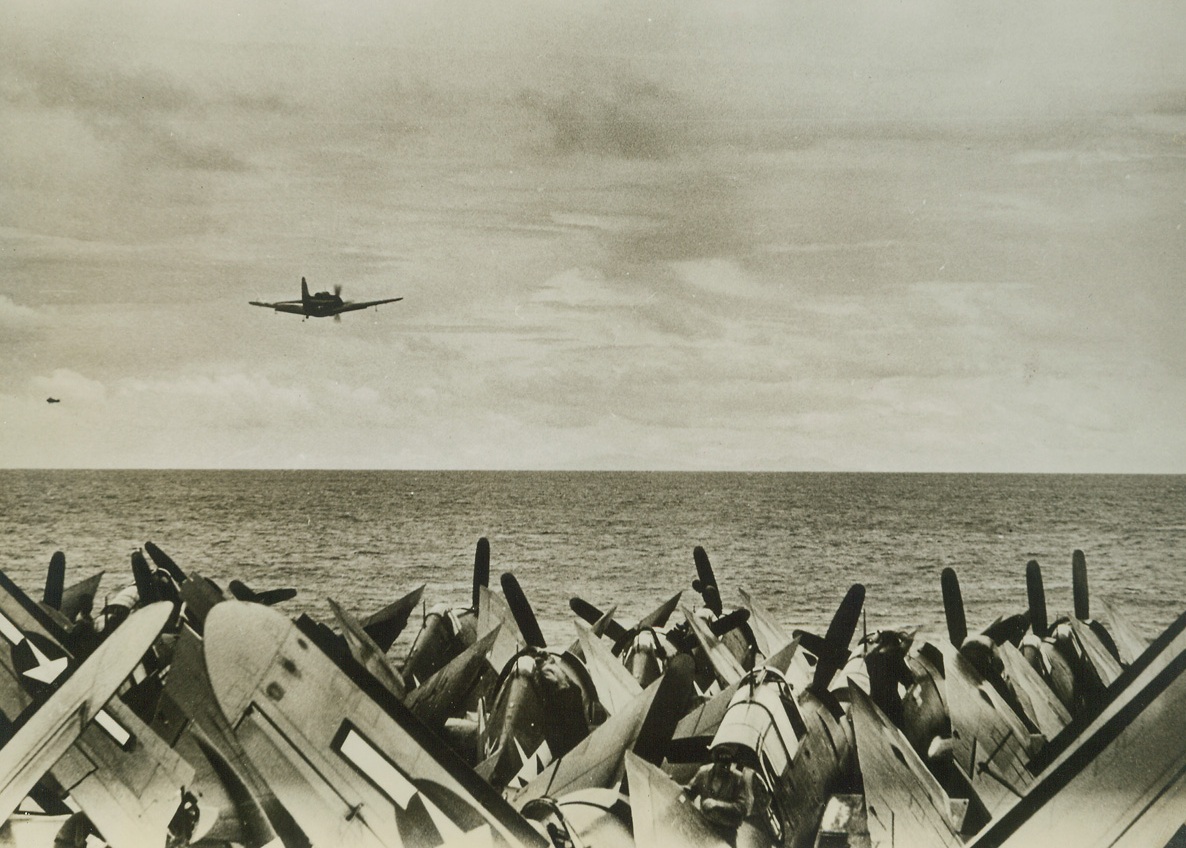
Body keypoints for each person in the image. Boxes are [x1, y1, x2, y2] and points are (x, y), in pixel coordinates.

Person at [686, 745, 754, 837]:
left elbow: (743, 808)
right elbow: (690, 792)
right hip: (704, 823)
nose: (726, 769)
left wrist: (717, 804)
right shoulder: (703, 773)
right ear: (715, 762)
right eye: (722, 766)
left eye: (728, 766)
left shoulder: (738, 780)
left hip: (726, 830)